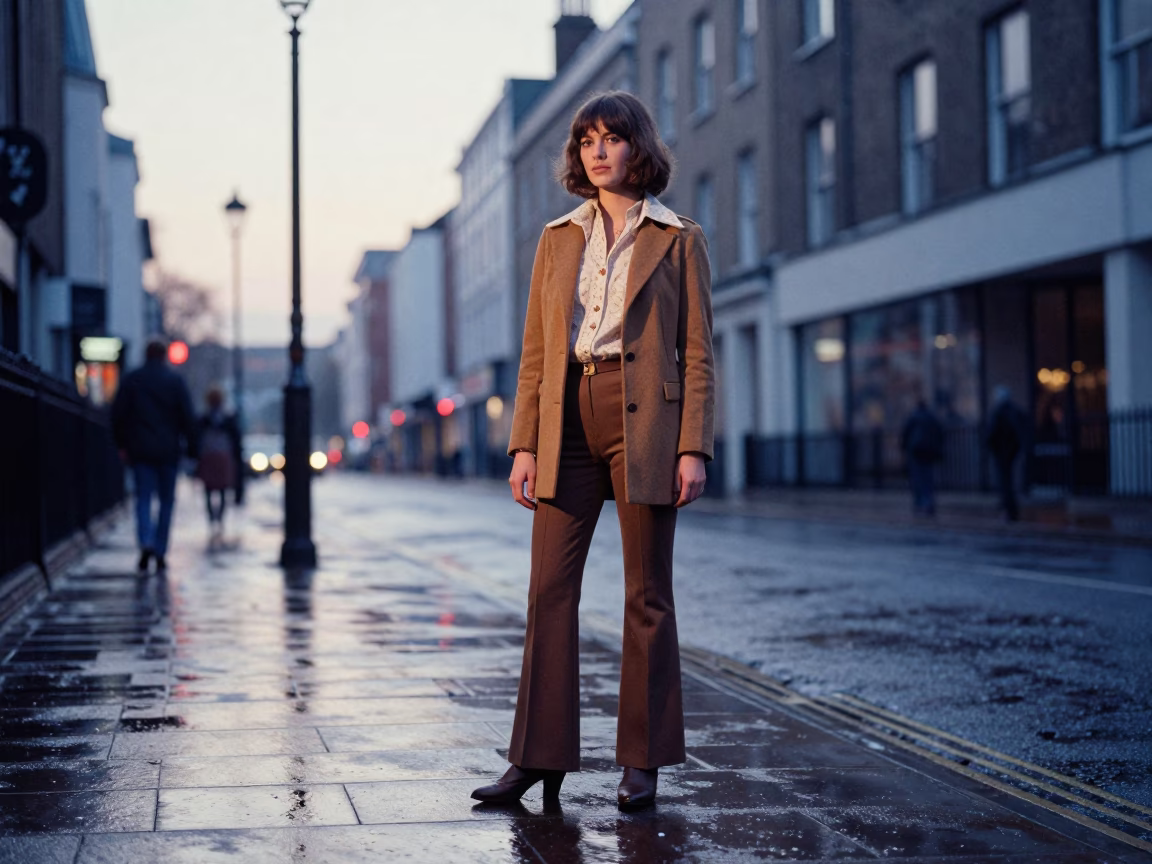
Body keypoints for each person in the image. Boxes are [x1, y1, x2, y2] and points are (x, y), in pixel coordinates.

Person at [471, 92, 715, 810]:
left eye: (612, 138)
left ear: (640, 148)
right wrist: (523, 443)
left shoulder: (679, 237)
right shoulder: (558, 238)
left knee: (647, 593)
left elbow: (698, 352)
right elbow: (536, 351)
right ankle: (536, 758)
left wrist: (693, 447)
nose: (598, 151)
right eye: (587, 141)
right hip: (566, 419)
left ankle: (643, 760)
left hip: (648, 423)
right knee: (548, 590)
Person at [111, 339, 198, 573]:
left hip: (140, 450)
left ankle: (145, 541)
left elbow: (118, 414)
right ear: (164, 355)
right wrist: (192, 449)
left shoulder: (132, 379)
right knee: (167, 502)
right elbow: (187, 417)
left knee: (143, 498)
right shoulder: (175, 381)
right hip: (168, 450)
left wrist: (122, 444)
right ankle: (160, 550)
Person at [196, 388, 242, 537]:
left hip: (210, 457)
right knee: (220, 491)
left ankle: (213, 519)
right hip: (221, 458)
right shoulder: (226, 418)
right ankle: (218, 519)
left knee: (210, 491)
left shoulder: (205, 419)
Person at [985, 385, 1026, 521]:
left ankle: (1008, 511)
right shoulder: (1015, 411)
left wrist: (991, 446)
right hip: (1011, 452)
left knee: (1004, 482)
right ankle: (1011, 510)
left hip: (1002, 452)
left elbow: (991, 433)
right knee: (1008, 481)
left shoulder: (999, 412)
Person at [900, 399, 944, 517]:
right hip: (929, 452)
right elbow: (940, 433)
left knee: (917, 477)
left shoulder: (913, 417)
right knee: (928, 477)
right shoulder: (932, 417)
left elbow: (905, 434)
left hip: (916, 451)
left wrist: (903, 448)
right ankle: (929, 501)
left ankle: (920, 502)